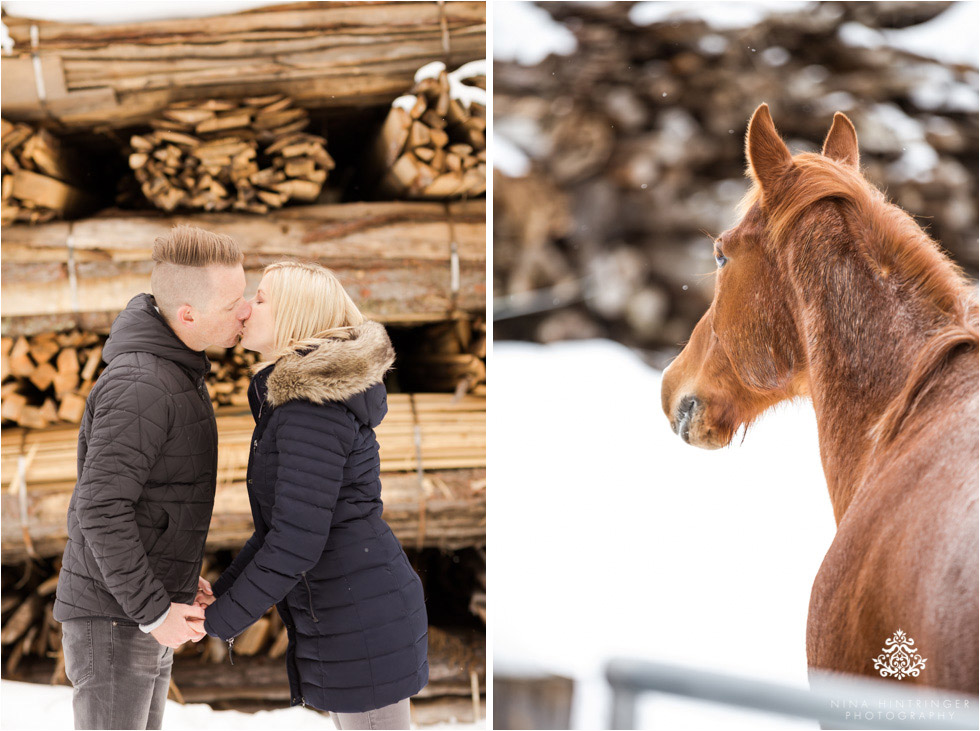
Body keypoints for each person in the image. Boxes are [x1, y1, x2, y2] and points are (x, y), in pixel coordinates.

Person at [200, 261, 429, 730]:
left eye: (260, 299)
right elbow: (278, 532)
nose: (245, 308)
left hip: (360, 618)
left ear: (295, 317)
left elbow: (295, 543)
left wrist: (221, 619)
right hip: (352, 608)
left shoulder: (311, 411)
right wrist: (218, 596)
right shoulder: (295, 406)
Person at [53, 225, 251, 730]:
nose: (245, 310)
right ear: (188, 314)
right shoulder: (142, 383)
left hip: (139, 608)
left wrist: (177, 581)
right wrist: (152, 610)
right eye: (233, 303)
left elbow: (154, 500)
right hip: (117, 617)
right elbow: (99, 508)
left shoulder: (173, 372)